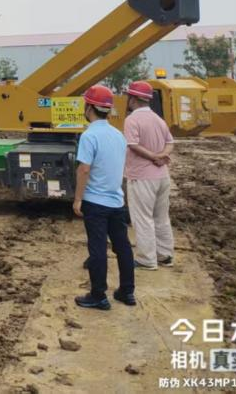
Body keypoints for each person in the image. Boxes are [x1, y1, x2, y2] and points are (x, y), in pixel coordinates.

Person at [74, 84, 136, 310]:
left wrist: (78, 199)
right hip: (116, 201)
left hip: (95, 202)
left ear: (89, 107)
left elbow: (84, 169)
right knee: (123, 247)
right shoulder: (118, 135)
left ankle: (98, 295)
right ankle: (127, 291)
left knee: (98, 249)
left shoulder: (89, 136)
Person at [123, 80, 175, 270]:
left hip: (142, 176)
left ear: (133, 99)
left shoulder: (132, 120)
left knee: (142, 218)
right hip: (162, 176)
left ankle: (147, 259)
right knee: (161, 217)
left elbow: (132, 145)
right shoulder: (158, 119)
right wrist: (161, 156)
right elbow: (170, 142)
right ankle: (165, 255)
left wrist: (153, 156)